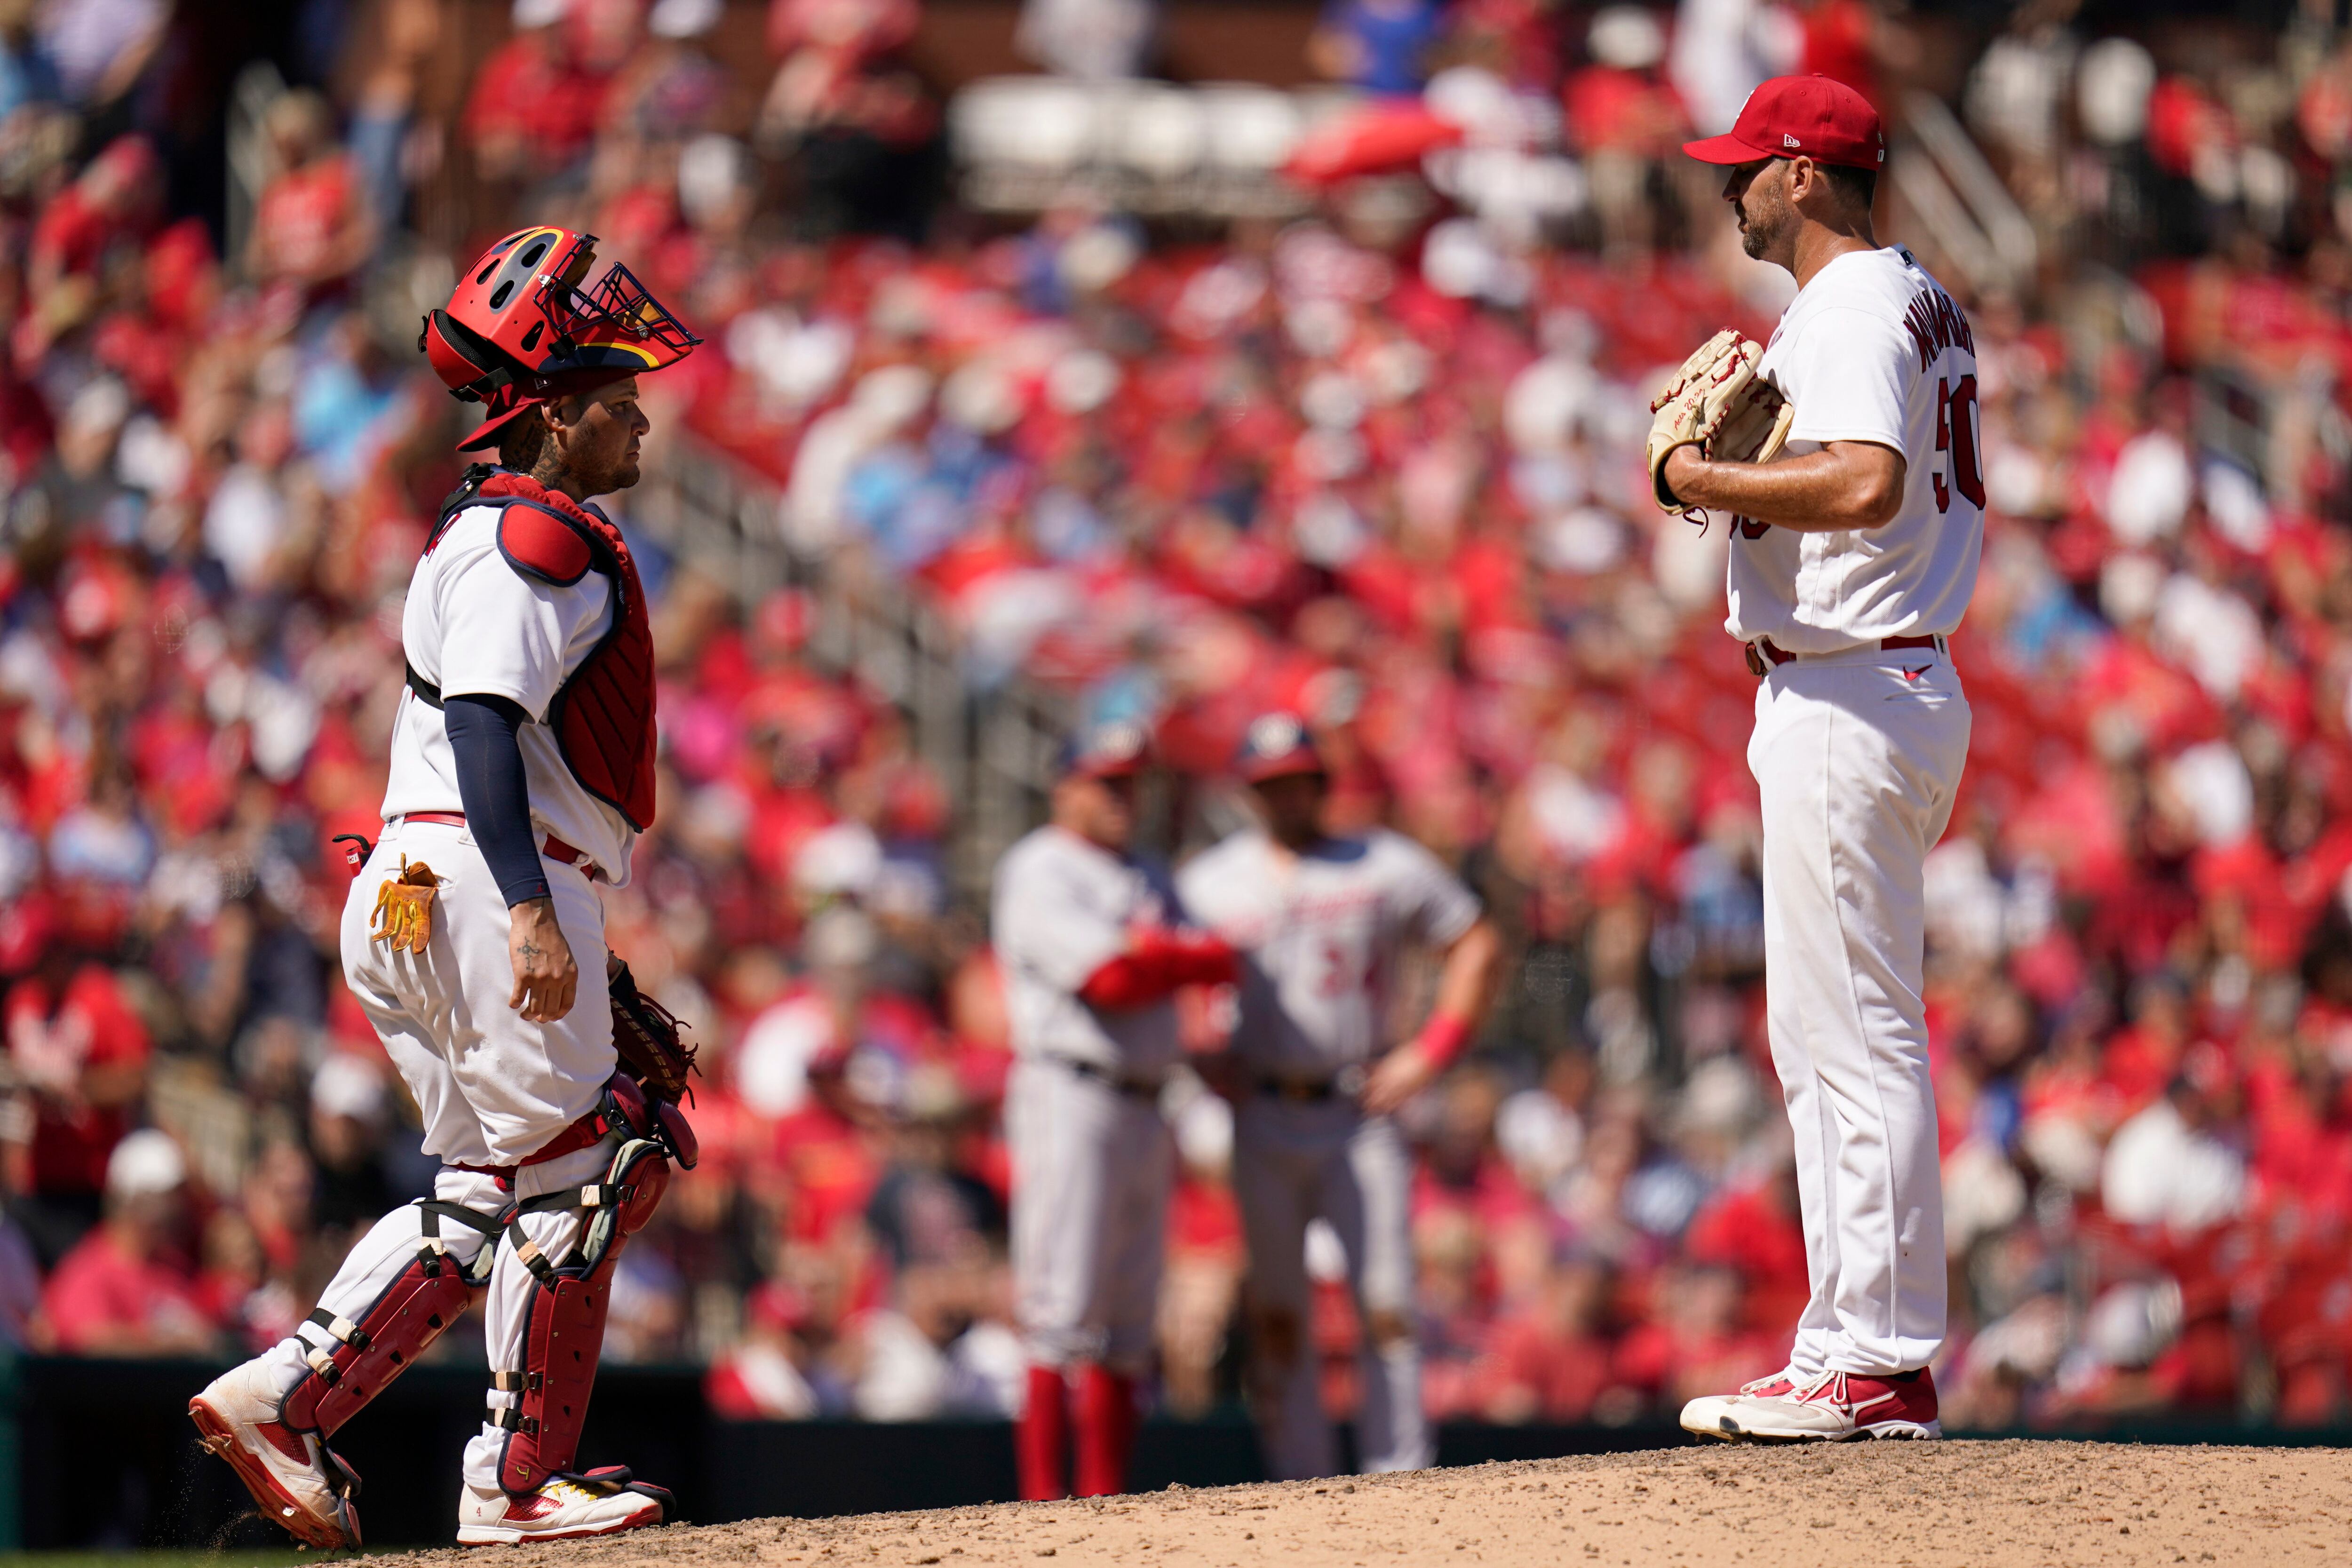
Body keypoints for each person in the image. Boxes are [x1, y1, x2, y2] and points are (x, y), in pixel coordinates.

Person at [189, 224, 703, 1545]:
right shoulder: (542, 536)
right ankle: (515, 1479)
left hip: (418, 877)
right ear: (557, 416)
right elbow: (483, 717)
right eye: (615, 396)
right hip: (481, 880)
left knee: (488, 1181)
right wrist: (532, 907)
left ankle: (287, 1399)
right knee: (595, 1166)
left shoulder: (486, 531)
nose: (637, 417)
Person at [1659, 74, 1978, 1442]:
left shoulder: (1848, 306)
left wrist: (1702, 483)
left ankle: (1878, 1355)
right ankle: (1850, 1346)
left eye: (1746, 166)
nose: (1727, 187)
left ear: (1801, 175)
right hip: (1878, 676)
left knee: (1852, 1036)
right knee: (1832, 1031)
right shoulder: (1912, 295)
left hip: (1852, 692)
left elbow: (1865, 482)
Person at [1177, 713, 1502, 1479]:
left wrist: (1428, 1054)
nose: (1284, 797)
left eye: (1296, 781)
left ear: (1321, 783)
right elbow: (1170, 975)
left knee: (1387, 1301)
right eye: (1269, 786)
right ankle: (1301, 1478)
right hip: (1260, 1108)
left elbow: (1475, 941)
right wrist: (1195, 1051)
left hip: (1360, 1105)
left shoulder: (1380, 862)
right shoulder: (1212, 880)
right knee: (1282, 1310)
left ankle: (1401, 1474)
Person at [991, 721, 1235, 1500]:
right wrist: (1168, 957)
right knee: (1061, 1306)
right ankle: (1042, 1503)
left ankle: (1106, 1502)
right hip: (1071, 1089)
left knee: (1130, 1315)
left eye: (1132, 781)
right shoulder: (1040, 867)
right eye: (1107, 781)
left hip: (1146, 1094)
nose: (1125, 796)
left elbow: (1216, 959)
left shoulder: (1151, 872)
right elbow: (1111, 980)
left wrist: (1154, 953)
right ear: (1065, 786)